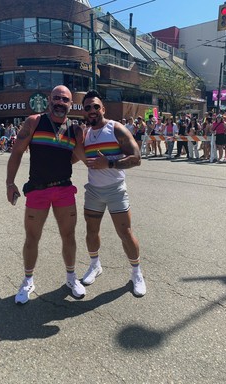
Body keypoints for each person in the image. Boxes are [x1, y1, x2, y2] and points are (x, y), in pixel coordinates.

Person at [6, 85, 86, 304]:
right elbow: (17, 153)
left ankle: (71, 277)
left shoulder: (76, 130)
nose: (60, 102)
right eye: (57, 98)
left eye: (65, 99)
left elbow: (81, 155)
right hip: (38, 190)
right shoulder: (34, 121)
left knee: (68, 236)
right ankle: (28, 280)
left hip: (64, 189)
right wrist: (9, 183)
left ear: (71, 104)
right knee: (32, 237)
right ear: (49, 100)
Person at [81, 90, 146, 297]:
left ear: (103, 108)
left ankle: (136, 273)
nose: (92, 110)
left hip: (115, 190)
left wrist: (109, 162)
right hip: (93, 191)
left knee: (125, 233)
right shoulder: (85, 133)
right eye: (88, 107)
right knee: (91, 232)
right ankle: (95, 265)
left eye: (95, 106)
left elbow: (137, 158)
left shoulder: (116, 128)